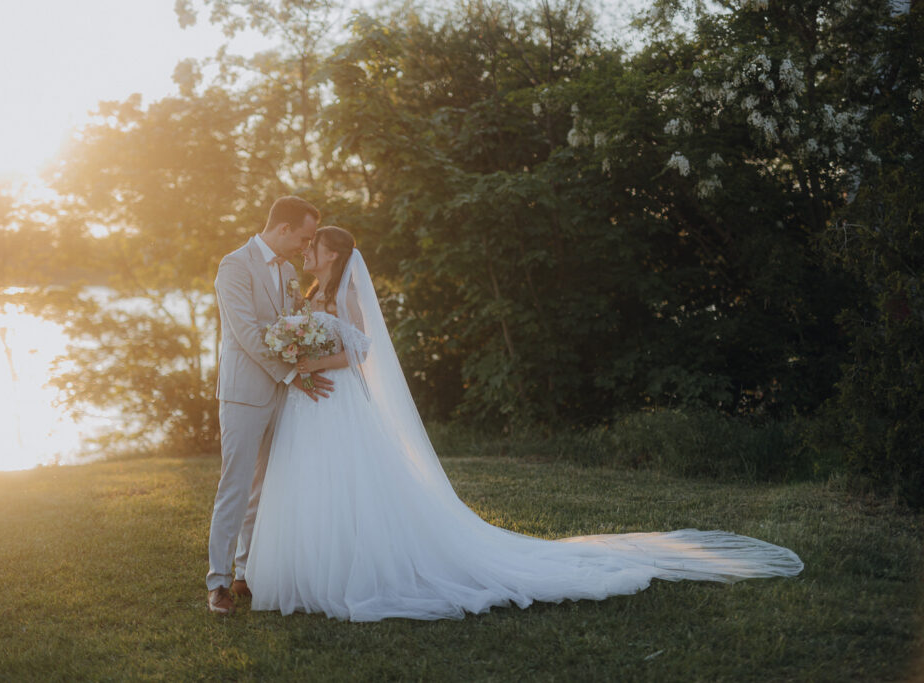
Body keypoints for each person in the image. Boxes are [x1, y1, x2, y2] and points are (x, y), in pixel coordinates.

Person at [243, 226, 804, 622]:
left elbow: (362, 351)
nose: (308, 249)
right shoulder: (309, 292)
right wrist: (297, 355)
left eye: (315, 245)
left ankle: (356, 569)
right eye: (307, 242)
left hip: (335, 400)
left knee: (354, 485)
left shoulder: (344, 295)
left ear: (335, 255)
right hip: (312, 404)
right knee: (317, 487)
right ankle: (315, 569)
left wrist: (306, 362)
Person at [206, 196, 334, 615]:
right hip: (245, 392)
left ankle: (245, 573)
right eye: (304, 236)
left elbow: (289, 325)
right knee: (236, 485)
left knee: (265, 487)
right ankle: (218, 582)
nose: (306, 244)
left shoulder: (290, 272)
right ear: (283, 229)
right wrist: (293, 373)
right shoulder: (234, 266)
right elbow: (246, 332)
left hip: (283, 395)